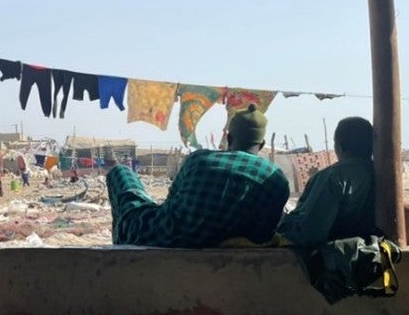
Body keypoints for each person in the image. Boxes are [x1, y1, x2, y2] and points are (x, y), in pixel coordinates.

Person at [107, 104, 289, 247]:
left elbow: (170, 203)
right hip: (238, 257)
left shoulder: (201, 160)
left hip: (165, 236)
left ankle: (120, 247)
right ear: (262, 143)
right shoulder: (277, 178)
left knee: (121, 175)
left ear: (229, 138)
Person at [277, 117, 377, 247]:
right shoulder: (381, 173)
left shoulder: (332, 176)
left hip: (335, 257)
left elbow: (309, 232)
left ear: (340, 148)